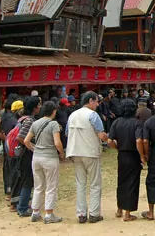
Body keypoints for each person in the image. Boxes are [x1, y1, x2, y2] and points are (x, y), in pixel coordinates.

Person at [66, 91, 108, 224]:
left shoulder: (72, 115)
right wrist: (108, 138)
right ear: (90, 101)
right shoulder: (93, 115)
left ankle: (81, 214)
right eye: (96, 101)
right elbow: (101, 135)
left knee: (81, 184)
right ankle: (94, 214)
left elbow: (67, 133)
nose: (97, 104)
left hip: (75, 152)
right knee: (95, 184)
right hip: (90, 152)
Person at [24, 100, 64, 224]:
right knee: (51, 186)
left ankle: (35, 212)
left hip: (36, 158)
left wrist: (34, 149)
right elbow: (57, 143)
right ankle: (49, 214)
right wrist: (62, 154)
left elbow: (26, 141)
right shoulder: (54, 124)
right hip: (50, 158)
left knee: (38, 186)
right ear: (54, 111)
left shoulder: (35, 123)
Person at [108, 99, 141, 222]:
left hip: (121, 154)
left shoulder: (116, 122)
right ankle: (128, 213)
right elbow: (138, 141)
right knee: (132, 183)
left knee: (121, 182)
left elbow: (110, 141)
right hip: (133, 155)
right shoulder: (137, 123)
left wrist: (117, 148)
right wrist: (142, 155)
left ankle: (119, 209)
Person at [11, 96, 41, 216]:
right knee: (27, 181)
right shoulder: (29, 120)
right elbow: (21, 137)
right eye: (38, 105)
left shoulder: (22, 118)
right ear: (34, 108)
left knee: (25, 180)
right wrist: (32, 148)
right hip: (26, 155)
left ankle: (22, 204)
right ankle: (22, 208)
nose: (40, 107)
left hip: (23, 154)